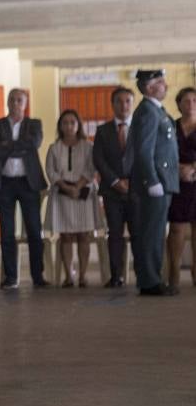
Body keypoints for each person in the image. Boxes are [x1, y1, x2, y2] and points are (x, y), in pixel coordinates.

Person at [122, 69, 180, 296]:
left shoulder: (157, 110)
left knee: (155, 233)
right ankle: (149, 281)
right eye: (160, 82)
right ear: (148, 88)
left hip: (163, 182)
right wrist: (151, 180)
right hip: (154, 184)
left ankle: (152, 279)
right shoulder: (147, 112)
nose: (165, 85)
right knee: (150, 233)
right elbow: (144, 151)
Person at [0, 89, 48, 289]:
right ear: (7, 102)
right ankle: (11, 278)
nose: (15, 103)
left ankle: (38, 276)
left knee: (33, 230)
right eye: (12, 100)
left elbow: (34, 143)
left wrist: (8, 145)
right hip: (5, 182)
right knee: (7, 232)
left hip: (28, 183)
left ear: (25, 103)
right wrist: (18, 146)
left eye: (19, 100)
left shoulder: (34, 124)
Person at [44, 109, 97, 287]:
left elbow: (91, 168)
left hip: (83, 194)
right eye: (65, 123)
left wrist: (78, 186)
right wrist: (66, 187)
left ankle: (82, 275)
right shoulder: (54, 148)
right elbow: (50, 171)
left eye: (72, 122)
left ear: (78, 125)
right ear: (60, 126)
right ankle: (68, 275)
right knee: (65, 236)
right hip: (62, 194)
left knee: (83, 235)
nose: (69, 126)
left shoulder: (88, 146)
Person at [93, 87, 136, 287]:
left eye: (128, 101)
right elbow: (99, 159)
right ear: (113, 104)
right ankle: (116, 276)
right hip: (112, 191)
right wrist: (115, 181)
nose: (124, 105)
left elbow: (145, 157)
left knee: (138, 233)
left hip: (136, 190)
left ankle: (142, 275)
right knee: (115, 233)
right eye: (119, 101)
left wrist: (131, 182)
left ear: (132, 104)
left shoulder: (140, 128)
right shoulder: (103, 131)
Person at [166, 87, 196, 290]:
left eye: (195, 100)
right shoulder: (170, 126)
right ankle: (173, 273)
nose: (191, 104)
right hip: (176, 182)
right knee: (176, 228)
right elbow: (162, 153)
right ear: (178, 104)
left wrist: (193, 169)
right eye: (186, 101)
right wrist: (177, 169)